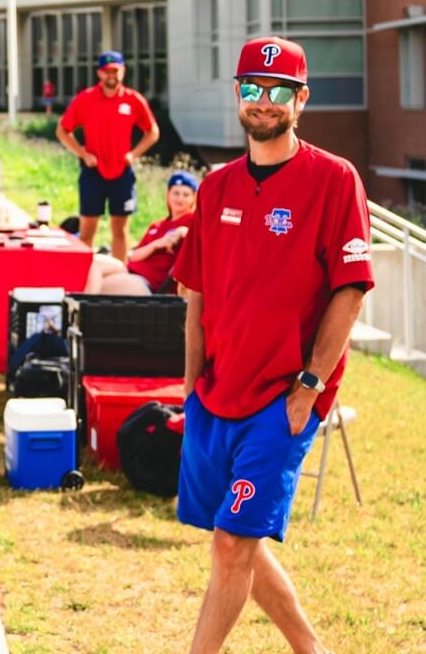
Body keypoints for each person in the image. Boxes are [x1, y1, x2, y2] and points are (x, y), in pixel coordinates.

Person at [172, 36, 373, 654]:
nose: (263, 101)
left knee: (234, 544)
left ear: (300, 99)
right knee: (233, 539)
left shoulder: (334, 179)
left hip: (282, 395)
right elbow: (196, 296)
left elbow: (351, 288)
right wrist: (190, 385)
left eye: (277, 90)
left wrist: (311, 382)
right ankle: (313, 649)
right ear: (239, 94)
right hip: (216, 392)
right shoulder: (216, 187)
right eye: (252, 89)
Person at [56, 50, 160, 261]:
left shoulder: (133, 100)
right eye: (106, 71)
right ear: (99, 73)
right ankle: (83, 279)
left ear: (123, 71)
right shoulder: (86, 99)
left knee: (120, 232)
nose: (111, 75)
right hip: (93, 172)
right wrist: (82, 153)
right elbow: (62, 130)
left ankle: (120, 276)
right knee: (87, 232)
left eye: (115, 71)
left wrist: (134, 154)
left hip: (122, 172)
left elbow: (152, 132)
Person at [84, 170, 198, 295]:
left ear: (194, 198)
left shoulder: (192, 221)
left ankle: (84, 310)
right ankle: (84, 306)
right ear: (168, 194)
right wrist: (156, 245)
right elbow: (134, 256)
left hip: (148, 282)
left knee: (96, 284)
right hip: (129, 269)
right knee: (90, 263)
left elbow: (201, 236)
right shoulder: (157, 225)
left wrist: (182, 231)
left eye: (186, 195)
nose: (180, 198)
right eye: (176, 193)